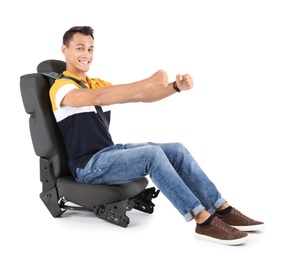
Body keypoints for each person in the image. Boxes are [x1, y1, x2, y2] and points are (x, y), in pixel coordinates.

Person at [49, 26, 265, 245]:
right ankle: (202, 221)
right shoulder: (61, 88)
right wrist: (147, 80)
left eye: (90, 49)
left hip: (108, 153)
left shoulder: (94, 84)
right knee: (151, 155)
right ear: (64, 50)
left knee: (176, 149)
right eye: (79, 48)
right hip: (88, 165)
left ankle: (221, 208)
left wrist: (175, 87)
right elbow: (100, 97)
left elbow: (144, 95)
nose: (86, 54)